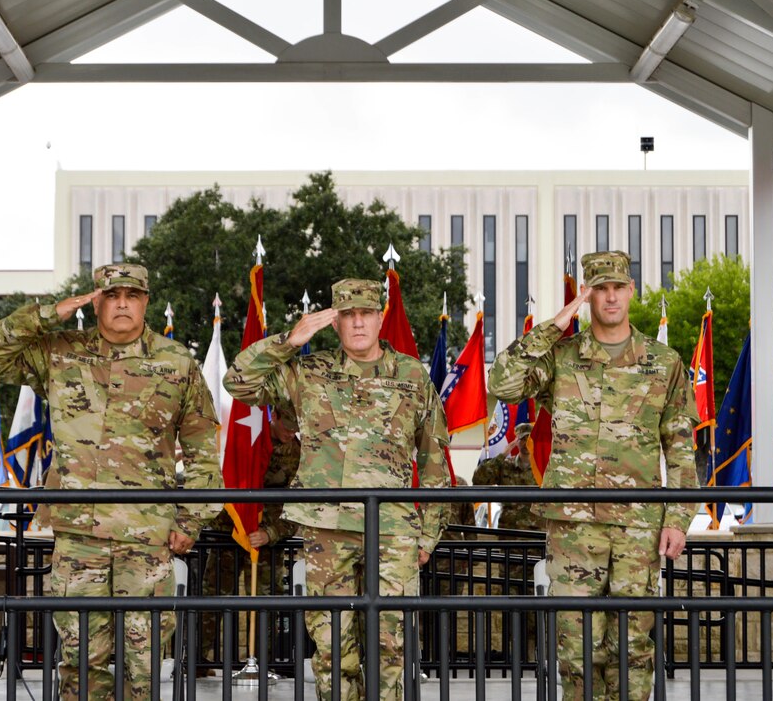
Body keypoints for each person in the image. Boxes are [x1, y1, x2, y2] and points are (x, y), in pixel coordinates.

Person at [0, 263, 223, 701]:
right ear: (96, 302)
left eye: (132, 294)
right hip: (78, 538)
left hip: (146, 537)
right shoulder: (59, 351)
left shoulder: (176, 362)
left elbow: (204, 446)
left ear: (146, 300)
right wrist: (49, 313)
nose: (123, 303)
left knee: (143, 665)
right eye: (112, 295)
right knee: (79, 663)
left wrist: (192, 519)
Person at [223, 277, 450, 701]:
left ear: (380, 318)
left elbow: (435, 458)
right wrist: (290, 341)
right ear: (334, 322)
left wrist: (429, 532)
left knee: (392, 644)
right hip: (326, 529)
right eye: (347, 315)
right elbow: (237, 382)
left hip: (393, 530)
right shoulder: (308, 372)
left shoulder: (412, 375)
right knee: (331, 647)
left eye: (366, 313)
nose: (358, 323)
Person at [487, 250, 698, 701]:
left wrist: (678, 519)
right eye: (599, 288)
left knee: (634, 645)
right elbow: (500, 383)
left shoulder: (664, 362)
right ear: (587, 295)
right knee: (576, 646)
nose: (610, 297)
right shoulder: (561, 357)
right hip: (573, 525)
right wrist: (554, 324)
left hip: (638, 525)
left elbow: (680, 447)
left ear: (631, 290)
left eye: (618, 287)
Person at [199, 409, 301, 672]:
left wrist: (273, 533)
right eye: (287, 425)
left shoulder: (298, 451)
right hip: (231, 529)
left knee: (268, 602)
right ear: (274, 416)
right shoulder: (244, 433)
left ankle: (264, 664)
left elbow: (302, 503)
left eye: (295, 428)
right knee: (212, 599)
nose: (291, 432)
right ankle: (198, 661)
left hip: (267, 536)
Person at [472, 421, 543, 531]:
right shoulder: (505, 465)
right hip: (510, 533)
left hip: (536, 533)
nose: (526, 443)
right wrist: (502, 455)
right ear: (516, 441)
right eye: (523, 439)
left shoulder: (543, 467)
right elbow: (479, 479)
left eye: (529, 439)